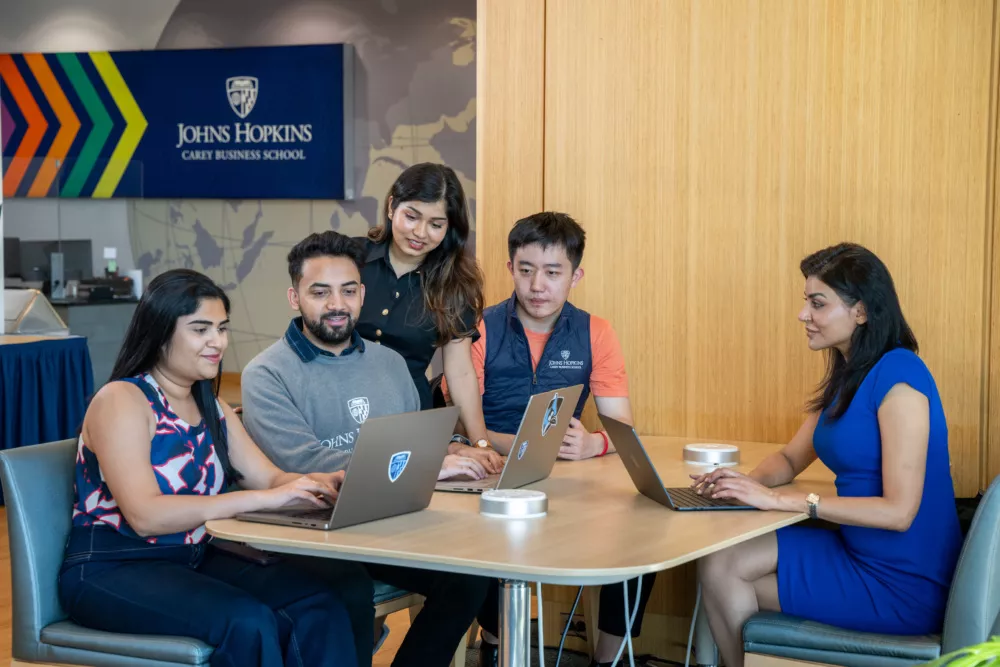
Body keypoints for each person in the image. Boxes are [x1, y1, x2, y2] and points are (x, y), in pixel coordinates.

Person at [57, 269, 359, 667]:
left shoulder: (210, 406)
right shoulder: (121, 400)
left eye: (221, 328)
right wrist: (258, 500)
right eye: (201, 330)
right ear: (160, 332)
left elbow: (270, 478)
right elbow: (145, 516)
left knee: (317, 605)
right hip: (111, 567)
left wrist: (323, 483)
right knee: (247, 622)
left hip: (193, 556)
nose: (217, 342)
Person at [692, 243, 964, 667]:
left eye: (818, 304)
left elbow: (899, 512)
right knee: (718, 563)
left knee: (722, 579)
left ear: (861, 311)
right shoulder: (850, 374)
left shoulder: (901, 378)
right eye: (806, 301)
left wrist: (780, 500)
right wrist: (742, 484)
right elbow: (789, 459)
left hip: (901, 582)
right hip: (856, 552)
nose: (803, 315)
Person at [240, 230, 491, 667]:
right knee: (348, 592)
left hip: (383, 523)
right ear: (295, 298)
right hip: (308, 532)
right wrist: (426, 466)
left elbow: (412, 437)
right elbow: (302, 464)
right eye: (320, 292)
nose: (336, 304)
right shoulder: (265, 374)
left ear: (361, 295)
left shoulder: (389, 363)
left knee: (470, 574)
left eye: (348, 290)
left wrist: (451, 449)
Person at [442, 212, 654, 667]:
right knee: (477, 536)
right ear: (510, 268)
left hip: (567, 482)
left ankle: (608, 658)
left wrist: (593, 445)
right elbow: (458, 426)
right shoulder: (477, 328)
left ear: (575, 275)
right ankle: (497, 642)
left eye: (553, 272)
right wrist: (514, 446)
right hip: (489, 475)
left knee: (642, 532)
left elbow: (621, 427)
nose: (537, 285)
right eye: (526, 270)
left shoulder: (596, 332)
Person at [355, 162, 503, 476]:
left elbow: (460, 371)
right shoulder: (351, 258)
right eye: (411, 217)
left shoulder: (455, 284)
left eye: (436, 224)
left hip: (409, 415)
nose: (420, 233)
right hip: (343, 408)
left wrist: (482, 443)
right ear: (392, 206)